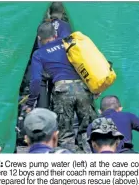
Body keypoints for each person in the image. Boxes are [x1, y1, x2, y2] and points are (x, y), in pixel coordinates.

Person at [25, 21, 97, 153]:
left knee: (65, 137)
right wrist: (94, 87)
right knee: (89, 132)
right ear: (55, 34)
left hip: (62, 91)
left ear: (40, 39)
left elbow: (36, 80)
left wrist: (30, 102)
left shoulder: (39, 53)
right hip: (83, 89)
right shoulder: (68, 43)